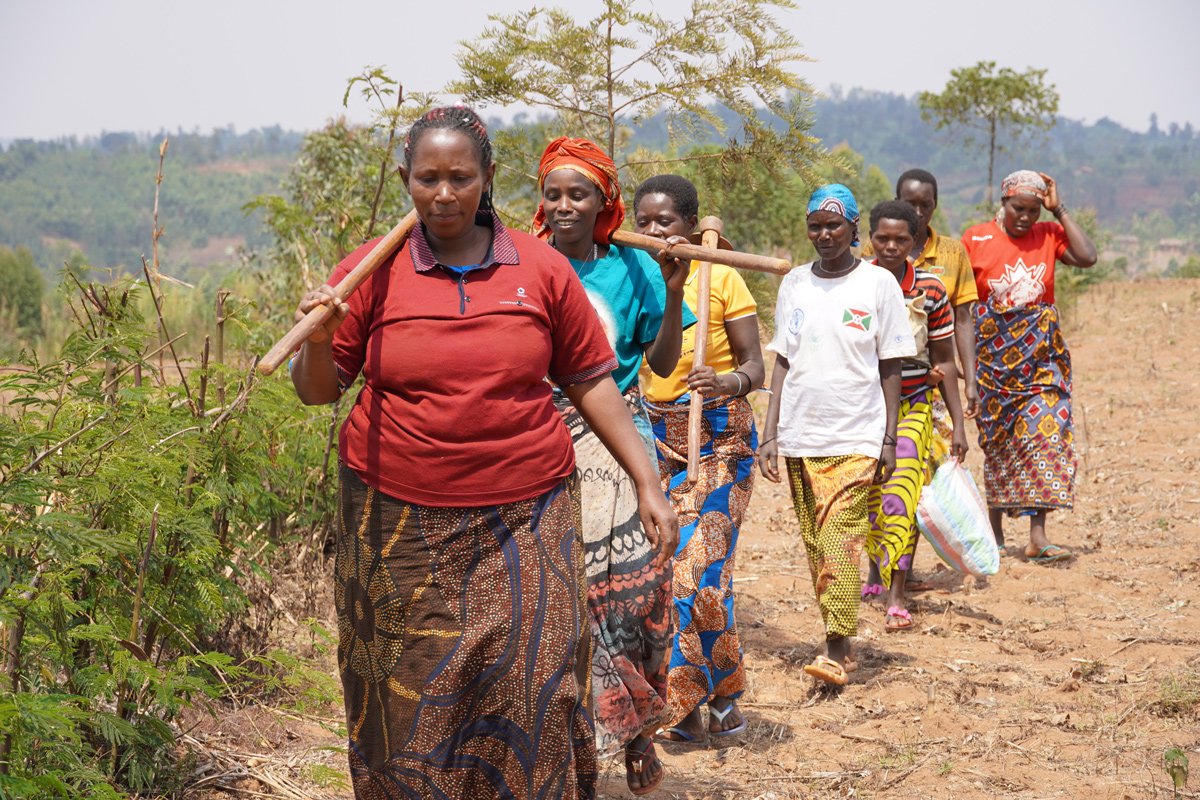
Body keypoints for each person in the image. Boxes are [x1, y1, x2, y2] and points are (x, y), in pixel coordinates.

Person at [289, 107, 678, 800]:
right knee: (407, 700)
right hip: (397, 527)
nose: (444, 194)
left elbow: (590, 378)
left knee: (531, 685)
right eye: (428, 178)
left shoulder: (540, 268)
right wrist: (320, 337)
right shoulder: (371, 272)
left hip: (527, 518)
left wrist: (646, 481)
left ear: (488, 178)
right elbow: (320, 392)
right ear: (406, 179)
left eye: (460, 177)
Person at [533, 137, 694, 794]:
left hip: (621, 437)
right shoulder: (523, 265)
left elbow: (658, 364)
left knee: (638, 589)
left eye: (580, 194)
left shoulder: (635, 269)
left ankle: (638, 726)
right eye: (554, 193)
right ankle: (586, 749)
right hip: (543, 438)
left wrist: (675, 287)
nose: (565, 206)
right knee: (567, 600)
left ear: (605, 202)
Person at [758, 184, 916, 686]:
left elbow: (891, 365)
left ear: (853, 230)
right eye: (815, 225)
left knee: (841, 538)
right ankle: (840, 639)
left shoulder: (877, 285)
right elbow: (782, 358)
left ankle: (835, 646)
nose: (823, 235)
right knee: (815, 542)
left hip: (856, 433)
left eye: (833, 225)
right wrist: (770, 432)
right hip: (801, 432)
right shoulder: (795, 284)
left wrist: (889, 439)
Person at [632, 174, 765, 742]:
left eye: (667, 221)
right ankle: (727, 695)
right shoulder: (634, 276)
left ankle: (682, 707)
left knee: (695, 570)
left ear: (690, 226)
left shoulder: (723, 278)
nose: (655, 231)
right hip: (653, 442)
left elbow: (756, 367)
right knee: (665, 573)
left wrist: (728, 381)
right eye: (645, 221)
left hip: (719, 439)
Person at [961, 170, 1096, 563]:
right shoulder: (976, 238)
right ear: (1003, 202)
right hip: (993, 364)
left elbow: (1088, 257)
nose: (1025, 217)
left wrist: (1060, 210)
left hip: (1041, 362)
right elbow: (965, 308)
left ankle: (1038, 536)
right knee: (999, 443)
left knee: (1045, 433)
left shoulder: (1050, 235)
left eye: (1034, 210)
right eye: (1018, 208)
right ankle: (996, 534)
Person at [861, 169, 979, 594]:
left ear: (916, 241)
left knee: (904, 487)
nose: (891, 246)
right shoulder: (856, 282)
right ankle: (876, 574)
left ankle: (897, 593)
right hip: (865, 407)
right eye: (882, 239)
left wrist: (960, 422)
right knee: (873, 490)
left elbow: (944, 358)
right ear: (871, 238)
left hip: (914, 402)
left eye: (901, 240)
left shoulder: (931, 288)